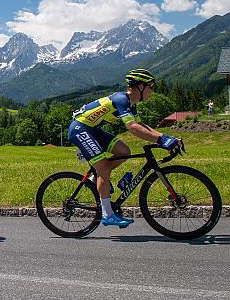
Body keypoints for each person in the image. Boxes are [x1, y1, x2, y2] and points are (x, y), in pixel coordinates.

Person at [68, 69, 180, 227]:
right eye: (151, 86)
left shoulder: (131, 104)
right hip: (80, 129)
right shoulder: (121, 99)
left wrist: (165, 137)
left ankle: (96, 178)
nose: (153, 90)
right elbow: (133, 127)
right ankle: (107, 214)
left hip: (93, 129)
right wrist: (161, 139)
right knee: (104, 169)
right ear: (140, 86)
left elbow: (141, 125)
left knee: (124, 152)